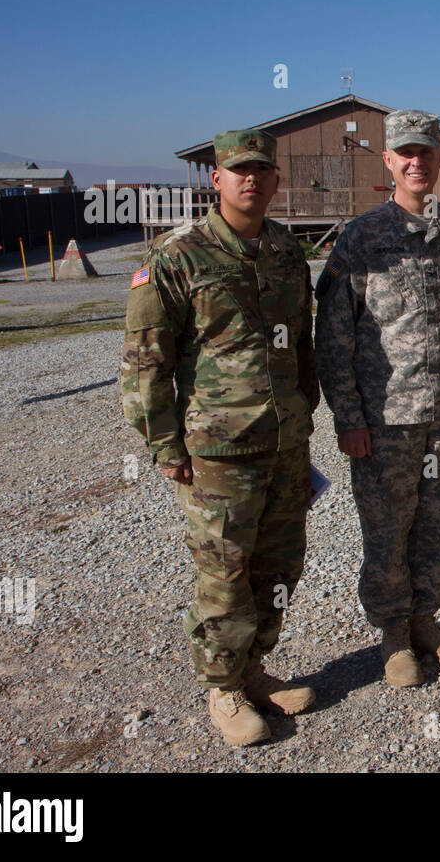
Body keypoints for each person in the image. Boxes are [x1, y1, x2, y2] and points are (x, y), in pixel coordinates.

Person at [121, 129, 319, 747]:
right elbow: (145, 361)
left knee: (280, 565)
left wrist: (305, 409)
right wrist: (163, 444)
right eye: (238, 170)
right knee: (224, 573)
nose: (251, 179)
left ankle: (254, 670)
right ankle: (223, 688)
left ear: (275, 178)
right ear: (217, 178)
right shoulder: (178, 256)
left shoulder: (287, 251)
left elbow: (302, 343)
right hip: (217, 449)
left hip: (285, 442)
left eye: (262, 169)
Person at [315, 110, 440, 687]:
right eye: (407, 153)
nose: (418, 162)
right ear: (390, 161)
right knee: (387, 529)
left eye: (428, 152)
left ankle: (427, 619)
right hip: (386, 419)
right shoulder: (363, 237)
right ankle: (393, 634)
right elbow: (334, 334)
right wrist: (348, 417)